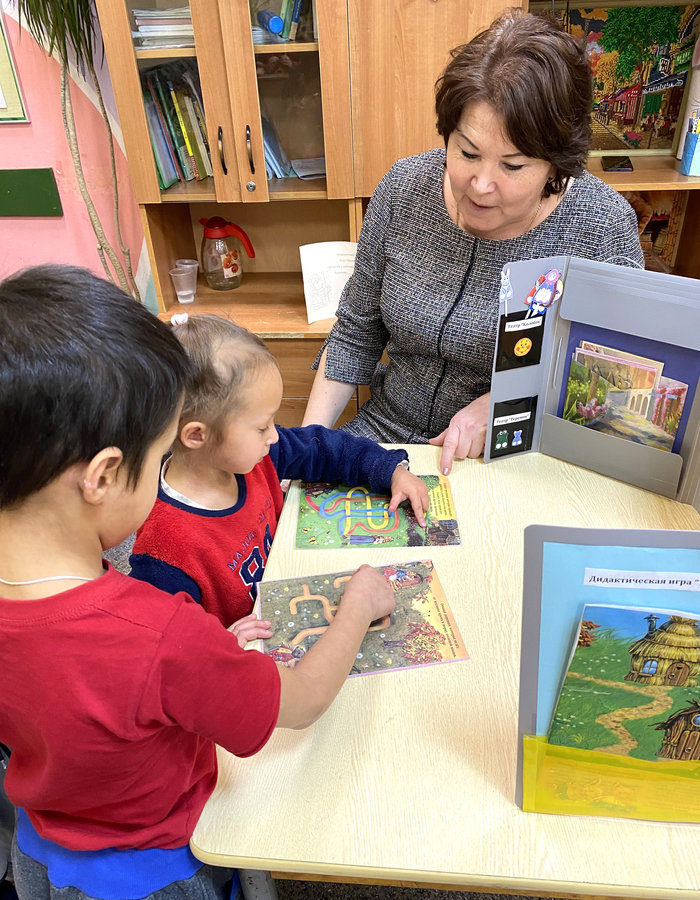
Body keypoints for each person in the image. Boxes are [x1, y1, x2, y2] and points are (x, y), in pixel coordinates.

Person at [0, 265, 396, 900]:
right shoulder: (164, 633)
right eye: (160, 457)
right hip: (161, 868)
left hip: (40, 854)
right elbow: (301, 702)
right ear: (103, 476)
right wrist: (357, 607)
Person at [302, 8, 644, 474]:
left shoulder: (600, 226)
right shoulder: (404, 189)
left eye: (513, 165)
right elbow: (356, 333)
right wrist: (307, 448)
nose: (481, 185)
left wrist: (506, 403)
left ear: (557, 162)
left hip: (513, 458)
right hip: (384, 435)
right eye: (467, 152)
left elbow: (614, 381)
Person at [129, 313, 429, 631]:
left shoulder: (256, 456)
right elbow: (158, 641)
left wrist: (389, 469)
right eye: (262, 427)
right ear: (196, 435)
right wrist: (222, 642)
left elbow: (322, 447)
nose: (274, 436)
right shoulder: (163, 552)